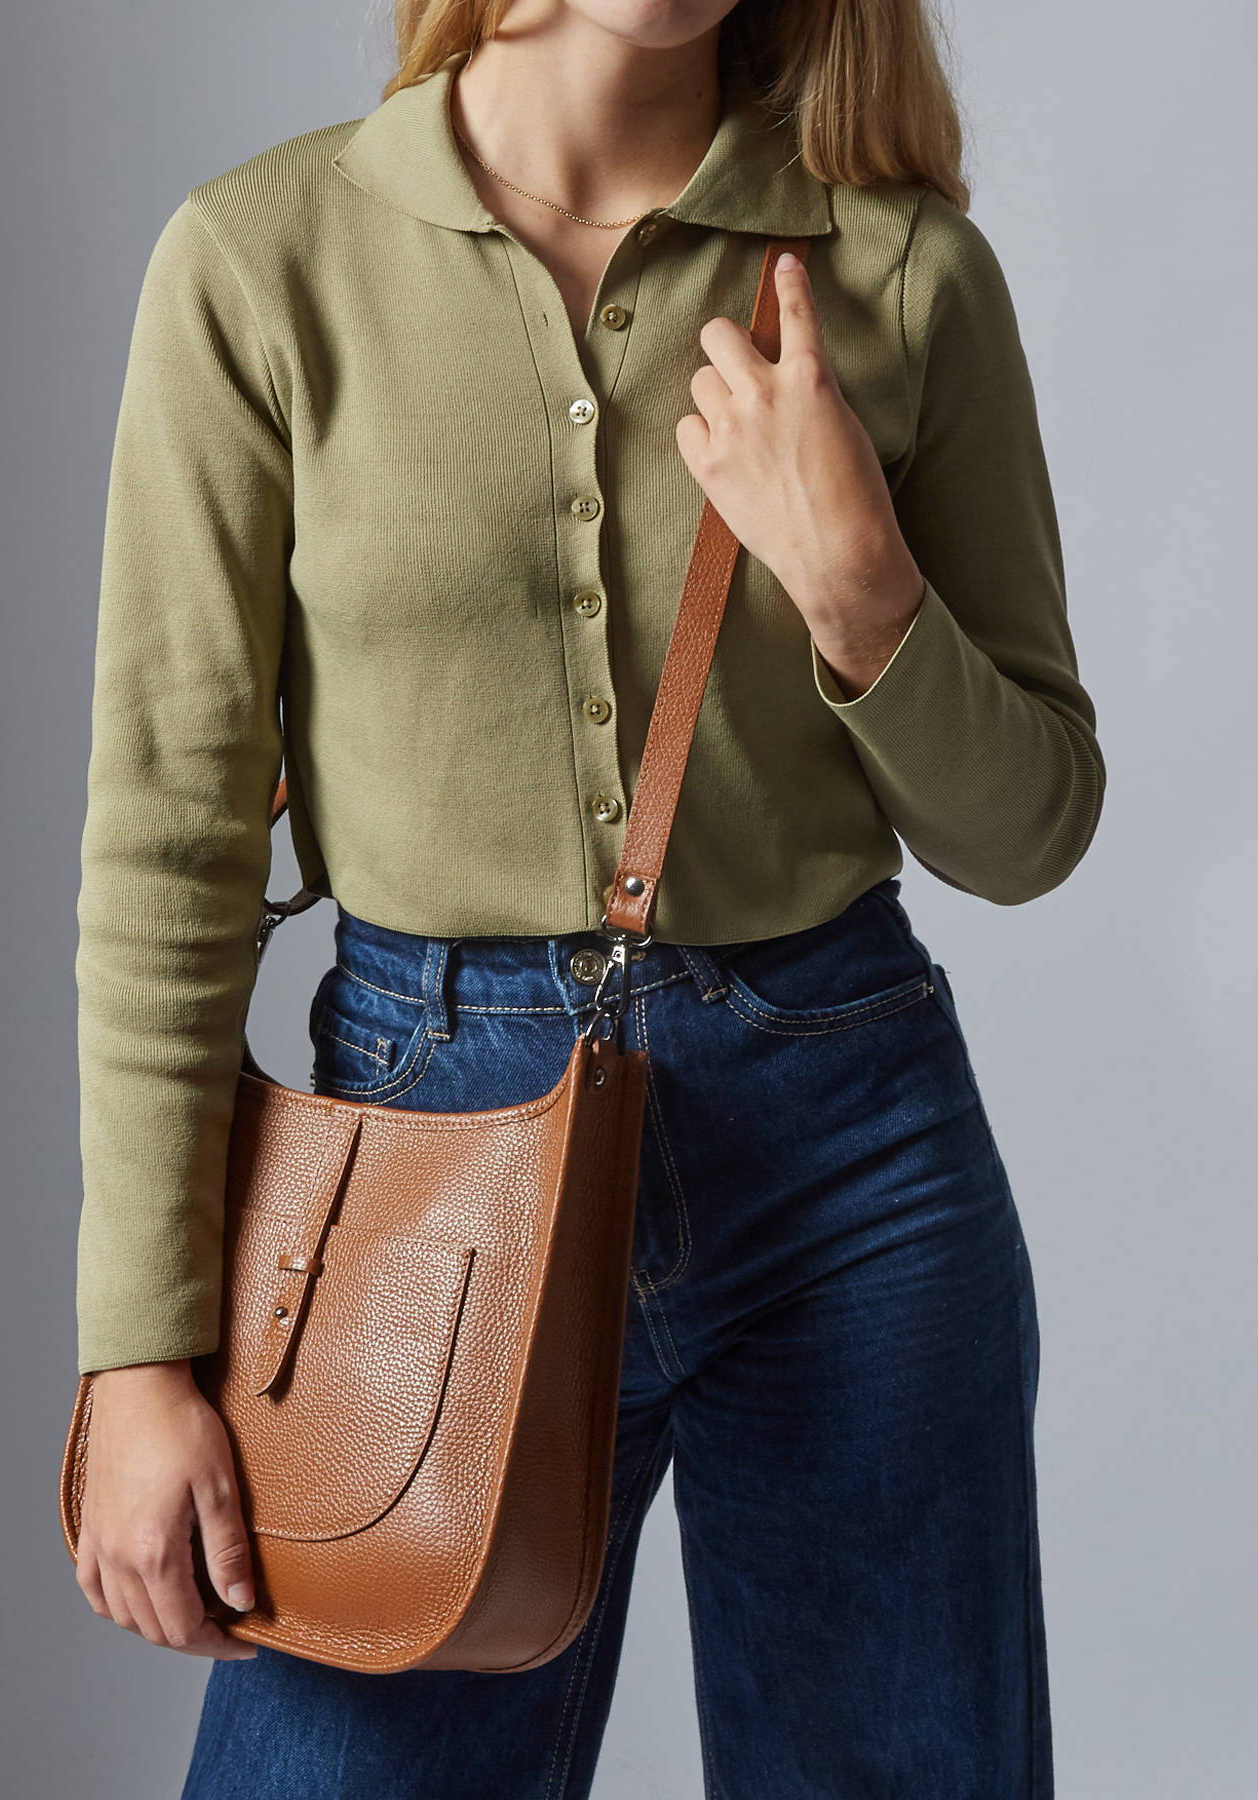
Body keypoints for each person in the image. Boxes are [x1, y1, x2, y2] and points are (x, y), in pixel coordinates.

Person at [69, 1, 1105, 1794]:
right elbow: (171, 843)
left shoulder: (899, 273)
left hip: (852, 1155)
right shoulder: (262, 259)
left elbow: (1030, 828)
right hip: (419, 1145)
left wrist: (857, 582)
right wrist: (141, 1349)